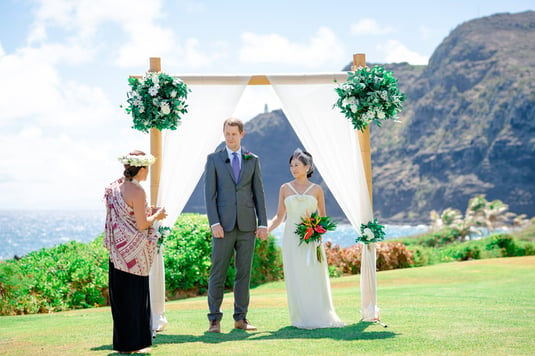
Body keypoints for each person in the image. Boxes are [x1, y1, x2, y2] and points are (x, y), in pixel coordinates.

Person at [204, 117, 268, 333]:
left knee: (244, 274)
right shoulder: (213, 159)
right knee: (218, 273)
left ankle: (241, 318)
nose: (230, 137)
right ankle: (214, 319)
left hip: (248, 226)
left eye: (234, 133)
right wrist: (214, 222)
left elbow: (258, 193)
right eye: (227, 133)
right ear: (224, 134)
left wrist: (263, 224)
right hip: (222, 226)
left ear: (242, 134)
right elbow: (209, 196)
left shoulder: (253, 160)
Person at [267, 149, 344, 329]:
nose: (293, 168)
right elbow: (279, 216)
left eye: (297, 165)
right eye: (291, 165)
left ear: (307, 167)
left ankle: (319, 314)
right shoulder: (284, 188)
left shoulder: (317, 189)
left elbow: (323, 218)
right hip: (291, 238)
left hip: (311, 239)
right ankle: (300, 317)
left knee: (313, 274)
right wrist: (266, 230)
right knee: (295, 275)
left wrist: (315, 229)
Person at [103, 150, 168, 353]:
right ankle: (137, 344)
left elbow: (128, 214)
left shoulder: (114, 188)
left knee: (121, 299)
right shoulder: (138, 192)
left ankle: (123, 345)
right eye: (146, 168)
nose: (148, 172)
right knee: (136, 297)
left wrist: (149, 211)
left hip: (117, 252)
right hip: (135, 254)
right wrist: (157, 215)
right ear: (140, 169)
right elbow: (141, 224)